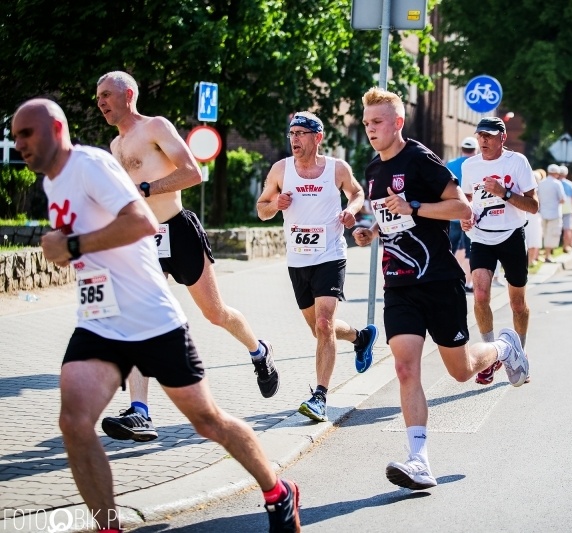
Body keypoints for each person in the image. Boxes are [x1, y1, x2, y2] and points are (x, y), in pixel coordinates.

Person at [12, 99, 300, 533]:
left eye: (26, 134)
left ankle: (278, 491)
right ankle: (109, 524)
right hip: (100, 317)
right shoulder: (56, 182)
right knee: (73, 422)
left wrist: (72, 246)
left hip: (152, 316)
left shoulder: (92, 164)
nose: (19, 145)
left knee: (207, 420)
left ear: (55, 128)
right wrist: (71, 250)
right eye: (14, 137)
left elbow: (142, 224)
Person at [353, 87, 529, 491]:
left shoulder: (419, 159)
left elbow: (463, 208)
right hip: (398, 284)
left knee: (462, 370)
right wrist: (372, 231)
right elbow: (389, 217)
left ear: (397, 123)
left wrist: (414, 207)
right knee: (404, 367)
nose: (370, 129)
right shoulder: (372, 170)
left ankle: (504, 347)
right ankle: (419, 460)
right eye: (366, 123)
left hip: (438, 281)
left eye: (377, 122)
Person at [95, 71, 279, 442]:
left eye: (105, 95)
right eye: (97, 97)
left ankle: (259, 351)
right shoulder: (115, 147)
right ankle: (140, 412)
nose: (100, 102)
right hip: (144, 240)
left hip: (177, 231)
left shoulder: (155, 127)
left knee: (215, 314)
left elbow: (193, 173)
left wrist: (146, 187)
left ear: (128, 94)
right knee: (139, 320)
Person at [255, 111, 378, 422]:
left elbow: (357, 192)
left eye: (301, 133)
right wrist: (275, 205)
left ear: (317, 138)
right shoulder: (281, 169)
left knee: (324, 325)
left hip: (330, 256)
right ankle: (360, 338)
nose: (294, 139)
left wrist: (351, 210)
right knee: (318, 329)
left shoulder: (336, 168)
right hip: (298, 261)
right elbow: (262, 210)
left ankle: (320, 397)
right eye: (292, 133)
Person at [460, 117, 539, 384]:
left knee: (517, 303)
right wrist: (465, 217)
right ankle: (491, 356)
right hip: (482, 237)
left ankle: (520, 353)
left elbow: (533, 205)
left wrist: (504, 193)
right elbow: (468, 201)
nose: (483, 140)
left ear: (502, 138)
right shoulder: (470, 166)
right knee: (480, 295)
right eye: (480, 135)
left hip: (512, 236)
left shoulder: (517, 163)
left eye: (489, 135)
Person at [446, 137, 478, 292]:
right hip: (471, 214)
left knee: (448, 248)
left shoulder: (450, 164)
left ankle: (446, 281)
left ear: (462, 148)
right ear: (476, 150)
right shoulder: (477, 165)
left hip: (452, 213)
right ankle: (468, 283)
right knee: (470, 250)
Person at [537, 164, 566, 263]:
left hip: (543, 212)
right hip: (554, 213)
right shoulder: (557, 183)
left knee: (544, 234)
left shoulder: (541, 183)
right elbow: (562, 199)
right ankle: (548, 255)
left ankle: (542, 254)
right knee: (552, 234)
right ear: (557, 174)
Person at [525, 169, 546, 265]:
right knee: (532, 238)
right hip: (533, 216)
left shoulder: (527, 188)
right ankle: (530, 260)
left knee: (530, 238)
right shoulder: (537, 190)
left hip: (528, 215)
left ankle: (531, 260)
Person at [557, 165, 572, 251]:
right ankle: (566, 246)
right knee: (567, 228)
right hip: (568, 207)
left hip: (557, 207)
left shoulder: (556, 183)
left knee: (557, 228)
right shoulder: (570, 184)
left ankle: (554, 246)